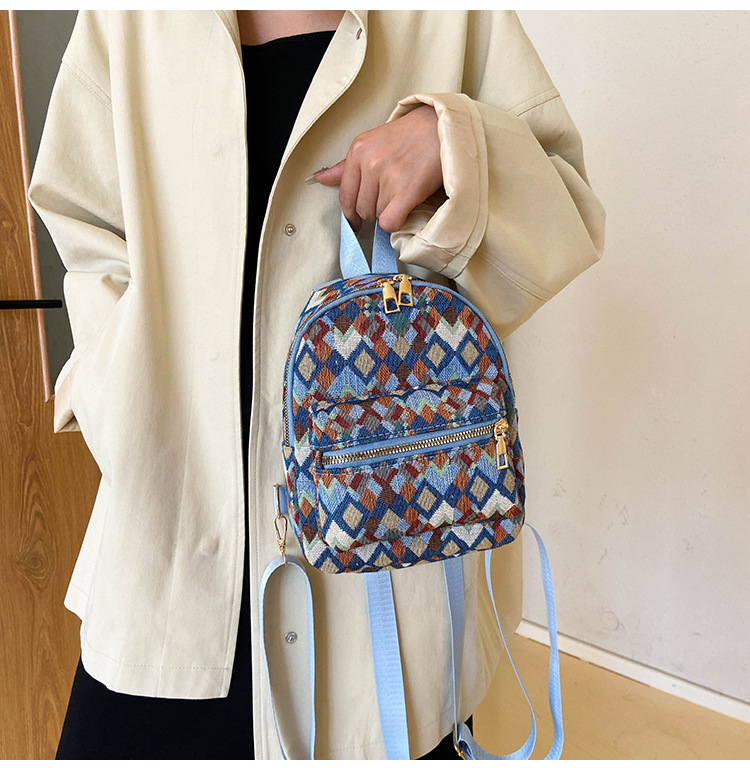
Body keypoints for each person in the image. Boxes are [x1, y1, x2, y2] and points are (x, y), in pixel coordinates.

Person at [29, 10, 605, 760]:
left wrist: (454, 143)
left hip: (388, 570)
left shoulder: (451, 16)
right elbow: (85, 222)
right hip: (168, 545)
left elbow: (564, 206)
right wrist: (120, 401)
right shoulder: (128, 17)